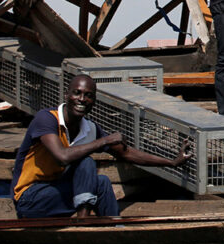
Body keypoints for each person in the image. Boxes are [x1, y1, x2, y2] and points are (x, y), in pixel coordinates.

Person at [12, 75, 190, 218]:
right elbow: (62, 156)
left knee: (102, 182)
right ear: (67, 95)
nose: (82, 99)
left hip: (57, 192)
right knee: (87, 162)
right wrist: (104, 141)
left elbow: (127, 154)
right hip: (30, 199)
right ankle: (83, 222)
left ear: (94, 101)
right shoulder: (47, 119)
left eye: (88, 96)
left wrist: (172, 162)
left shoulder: (89, 129)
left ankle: (113, 230)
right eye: (77, 93)